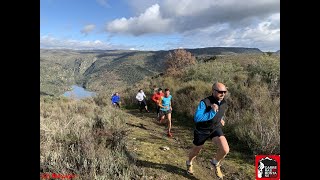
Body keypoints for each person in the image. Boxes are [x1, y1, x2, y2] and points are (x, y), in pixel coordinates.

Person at [186, 82, 229, 179]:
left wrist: (221, 119)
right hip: (202, 130)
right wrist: (212, 112)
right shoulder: (205, 102)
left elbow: (221, 113)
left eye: (224, 92)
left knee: (225, 149)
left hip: (215, 128)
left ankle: (215, 162)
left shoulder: (223, 102)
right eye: (220, 92)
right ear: (213, 91)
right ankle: (189, 163)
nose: (223, 94)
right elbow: (197, 118)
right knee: (196, 152)